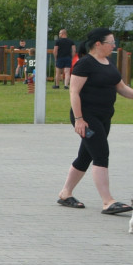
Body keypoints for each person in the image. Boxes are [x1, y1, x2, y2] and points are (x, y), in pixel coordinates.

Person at [55, 28, 133, 215]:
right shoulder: (85, 64)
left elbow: (121, 88)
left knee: (86, 156)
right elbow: (73, 92)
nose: (114, 46)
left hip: (104, 118)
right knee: (101, 154)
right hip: (86, 119)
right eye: (111, 43)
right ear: (98, 43)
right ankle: (108, 201)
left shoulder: (108, 62)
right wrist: (80, 120)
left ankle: (65, 194)